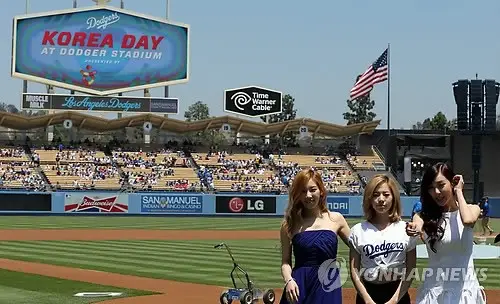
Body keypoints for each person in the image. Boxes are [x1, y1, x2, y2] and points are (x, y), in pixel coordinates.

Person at [406, 162, 486, 304]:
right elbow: (417, 225)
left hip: (464, 293)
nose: (436, 192)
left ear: (452, 183)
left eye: (441, 185)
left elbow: (467, 220)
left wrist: (459, 191)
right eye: (431, 188)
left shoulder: (472, 209)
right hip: (434, 292)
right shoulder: (423, 216)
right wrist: (414, 228)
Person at [279, 168, 351, 304]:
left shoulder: (336, 219)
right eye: (303, 191)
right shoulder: (289, 224)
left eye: (312, 189)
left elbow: (359, 246)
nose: (308, 195)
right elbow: (285, 262)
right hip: (299, 285)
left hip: (328, 284)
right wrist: (289, 280)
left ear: (321, 191)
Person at [349, 174, 417, 304]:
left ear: (394, 198)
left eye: (386, 194)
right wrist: (367, 300)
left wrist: (394, 300)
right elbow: (354, 271)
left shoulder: (406, 229)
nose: (381, 199)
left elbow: (410, 270)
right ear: (369, 199)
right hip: (367, 292)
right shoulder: (358, 231)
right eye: (375, 195)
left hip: (398, 292)